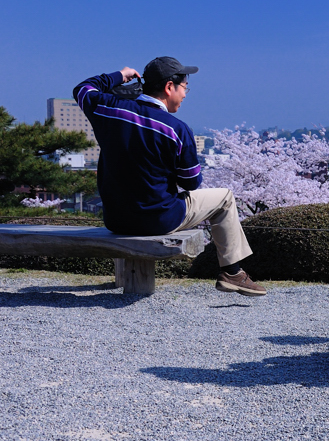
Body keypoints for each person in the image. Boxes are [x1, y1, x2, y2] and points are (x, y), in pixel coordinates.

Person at [72, 57, 267, 296]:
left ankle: (233, 273)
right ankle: (232, 272)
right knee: (225, 198)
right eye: (185, 87)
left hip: (115, 219)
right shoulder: (176, 128)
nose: (185, 94)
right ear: (168, 87)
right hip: (158, 219)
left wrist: (120, 75)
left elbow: (82, 89)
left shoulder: (107, 108)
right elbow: (191, 183)